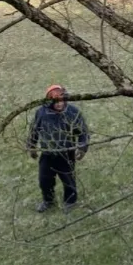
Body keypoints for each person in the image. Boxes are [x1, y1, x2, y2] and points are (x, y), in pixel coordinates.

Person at [27, 84, 90, 212]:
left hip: (67, 153)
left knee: (68, 179)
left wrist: (82, 148)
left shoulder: (73, 112)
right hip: (47, 153)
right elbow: (34, 131)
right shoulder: (42, 112)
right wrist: (31, 146)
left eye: (62, 101)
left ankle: (70, 202)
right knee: (44, 180)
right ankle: (48, 201)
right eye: (56, 102)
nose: (59, 104)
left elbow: (83, 133)